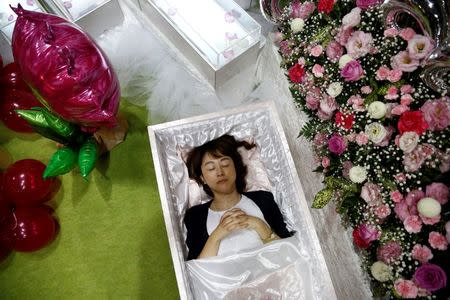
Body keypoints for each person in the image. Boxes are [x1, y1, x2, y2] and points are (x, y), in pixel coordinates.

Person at [184, 134, 293, 260]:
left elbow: (289, 251)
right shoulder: (195, 216)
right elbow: (196, 270)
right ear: (202, 178)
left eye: (225, 164)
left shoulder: (264, 199)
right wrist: (217, 234)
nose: (220, 172)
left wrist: (258, 224)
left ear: (235, 167)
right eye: (211, 168)